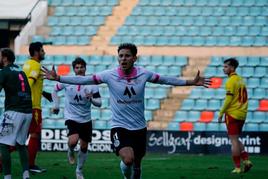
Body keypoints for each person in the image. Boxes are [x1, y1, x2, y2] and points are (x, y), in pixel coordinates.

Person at [42, 43, 211, 179]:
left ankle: (133, 172)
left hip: (139, 127)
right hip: (119, 126)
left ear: (134, 58)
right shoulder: (109, 75)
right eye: (121, 56)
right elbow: (86, 79)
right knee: (128, 159)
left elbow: (166, 80)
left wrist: (190, 82)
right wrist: (59, 78)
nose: (123, 59)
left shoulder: (144, 74)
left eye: (127, 56)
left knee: (136, 165)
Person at [51, 57, 102, 179]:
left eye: (81, 67)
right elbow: (54, 90)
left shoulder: (92, 84)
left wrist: (91, 99)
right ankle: (70, 150)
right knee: (73, 141)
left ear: (85, 68)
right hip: (71, 117)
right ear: (74, 69)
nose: (79, 70)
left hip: (86, 119)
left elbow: (99, 103)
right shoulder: (67, 80)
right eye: (77, 67)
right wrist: (56, 105)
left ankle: (79, 171)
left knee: (84, 146)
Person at [0, 48, 32, 179]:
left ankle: (7, 176)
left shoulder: (4, 72)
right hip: (27, 112)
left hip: (14, 112)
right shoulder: (21, 71)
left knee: (2, 144)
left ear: (5, 58)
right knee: (21, 144)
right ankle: (26, 174)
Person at [218, 58, 253, 174]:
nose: (224, 69)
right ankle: (246, 161)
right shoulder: (241, 80)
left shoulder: (230, 81)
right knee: (236, 139)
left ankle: (237, 167)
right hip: (242, 114)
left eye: (226, 67)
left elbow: (228, 99)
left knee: (233, 141)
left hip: (232, 114)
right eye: (224, 67)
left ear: (232, 68)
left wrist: (221, 113)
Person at [22, 42, 48, 173]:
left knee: (20, 136)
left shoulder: (26, 64)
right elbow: (30, 83)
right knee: (34, 134)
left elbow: (27, 83)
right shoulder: (36, 65)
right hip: (33, 106)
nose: (44, 52)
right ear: (37, 52)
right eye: (42, 50)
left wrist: (44, 93)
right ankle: (31, 165)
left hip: (24, 105)